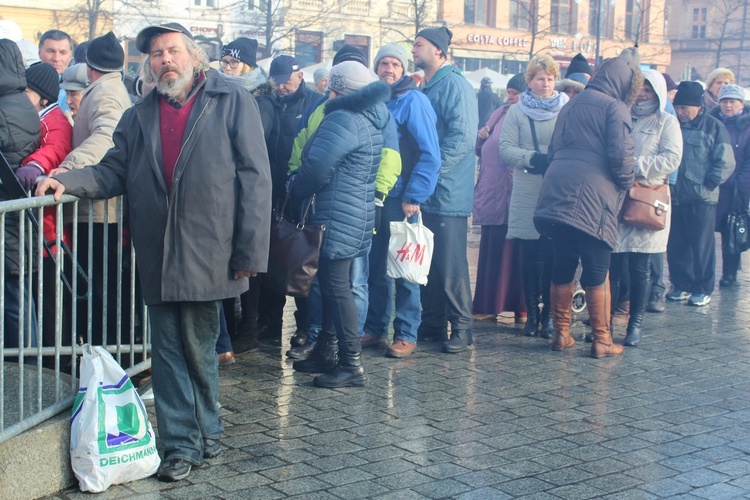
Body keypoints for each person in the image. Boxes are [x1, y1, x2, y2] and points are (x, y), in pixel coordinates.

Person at [36, 21, 272, 481]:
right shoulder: (139, 113)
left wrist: (249, 252)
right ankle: (181, 444)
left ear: (193, 56)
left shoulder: (231, 100)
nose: (165, 60)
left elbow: (256, 179)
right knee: (166, 352)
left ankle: (209, 429)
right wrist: (64, 181)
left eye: (172, 51)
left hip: (209, 248)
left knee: (199, 348)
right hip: (157, 250)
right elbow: (110, 172)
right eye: (157, 55)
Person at [287, 45, 400, 363]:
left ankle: (350, 363)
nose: (328, 95)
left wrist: (294, 185)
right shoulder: (369, 117)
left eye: (333, 89)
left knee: (338, 291)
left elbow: (316, 171)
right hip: (352, 216)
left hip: (336, 217)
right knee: (335, 287)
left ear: (344, 92)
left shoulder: (343, 120)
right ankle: (325, 353)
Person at [534, 47, 640, 358]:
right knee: (596, 268)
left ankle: (562, 334)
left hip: (556, 193)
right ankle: (602, 340)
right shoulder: (615, 108)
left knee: (563, 263)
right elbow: (622, 159)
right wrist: (625, 184)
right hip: (593, 197)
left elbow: (554, 149)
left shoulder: (572, 103)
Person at [51, 31, 133, 347]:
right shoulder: (108, 88)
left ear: (89, 67)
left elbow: (107, 137)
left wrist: (69, 168)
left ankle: (110, 357)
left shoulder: (104, 92)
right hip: (98, 210)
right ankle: (110, 353)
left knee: (103, 290)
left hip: (100, 213)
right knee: (104, 288)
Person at [361, 43, 440, 358]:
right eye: (384, 64)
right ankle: (375, 327)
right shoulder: (375, 99)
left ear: (404, 68)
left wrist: (414, 195)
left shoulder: (414, 101)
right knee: (375, 265)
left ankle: (406, 332)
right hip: (375, 195)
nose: (388, 69)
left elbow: (430, 154)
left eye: (394, 64)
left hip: (402, 198)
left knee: (406, 267)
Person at [412, 27, 478, 353]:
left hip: (447, 191)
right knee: (432, 261)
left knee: (451, 263)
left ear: (438, 51)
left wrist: (433, 172)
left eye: (419, 44)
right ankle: (434, 322)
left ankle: (463, 328)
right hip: (433, 190)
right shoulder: (430, 84)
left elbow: (463, 137)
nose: (414, 49)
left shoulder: (454, 85)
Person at [610, 70, 682, 347]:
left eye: (648, 90)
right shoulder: (621, 115)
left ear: (658, 93)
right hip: (618, 196)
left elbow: (672, 158)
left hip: (648, 198)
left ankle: (634, 324)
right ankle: (605, 323)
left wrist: (634, 166)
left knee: (640, 267)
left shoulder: (667, 122)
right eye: (639, 89)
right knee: (614, 265)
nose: (642, 94)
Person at [499, 54, 569, 339]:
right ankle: (533, 314)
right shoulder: (517, 111)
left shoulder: (566, 108)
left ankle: (550, 316)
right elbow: (505, 148)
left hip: (556, 188)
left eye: (550, 78)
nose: (546, 83)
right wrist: (531, 158)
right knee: (529, 255)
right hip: (527, 187)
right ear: (529, 81)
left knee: (553, 254)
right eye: (540, 78)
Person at [255, 55, 320, 345]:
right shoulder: (265, 101)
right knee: (270, 260)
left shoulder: (313, 102)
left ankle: (305, 325)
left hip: (298, 194)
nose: (281, 87)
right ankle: (269, 323)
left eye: (286, 81)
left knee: (301, 262)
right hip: (267, 192)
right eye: (277, 82)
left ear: (300, 76)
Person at [20, 62, 74, 368]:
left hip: (50, 233)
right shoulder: (40, 116)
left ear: (42, 96)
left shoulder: (55, 120)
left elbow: (55, 148)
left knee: (52, 305)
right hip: (40, 230)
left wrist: (34, 167)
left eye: (26, 91)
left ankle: (56, 367)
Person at [667, 81, 735, 306]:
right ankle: (680, 285)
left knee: (702, 247)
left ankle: (703, 288)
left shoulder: (714, 127)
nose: (681, 112)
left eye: (685, 108)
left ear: (698, 107)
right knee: (676, 245)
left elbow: (725, 161)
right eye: (678, 107)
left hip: (702, 198)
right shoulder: (672, 124)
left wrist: (710, 183)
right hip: (674, 196)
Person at [472, 73, 528, 322]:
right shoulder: (500, 113)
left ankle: (521, 306)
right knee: (492, 248)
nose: (510, 97)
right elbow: (481, 149)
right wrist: (480, 136)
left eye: (515, 93)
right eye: (509, 92)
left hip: (515, 193)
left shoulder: (526, 115)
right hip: (492, 190)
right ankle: (487, 303)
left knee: (515, 250)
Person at [0, 39, 41, 358]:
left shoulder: (3, 107)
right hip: (19, 215)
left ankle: (24, 368)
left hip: (8, 214)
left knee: (14, 297)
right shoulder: (23, 103)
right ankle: (30, 362)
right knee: (21, 293)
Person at [709, 84, 750, 287]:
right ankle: (703, 274)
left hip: (735, 189)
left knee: (732, 233)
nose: (728, 105)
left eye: (733, 101)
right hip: (712, 186)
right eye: (724, 101)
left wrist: (740, 185)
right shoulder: (712, 123)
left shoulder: (747, 128)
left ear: (741, 103)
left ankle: (730, 273)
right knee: (705, 233)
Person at [37, 30, 74, 112]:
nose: (56, 59)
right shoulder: (25, 83)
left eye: (63, 52)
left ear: (70, 56)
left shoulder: (82, 86)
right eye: (51, 51)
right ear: (39, 53)